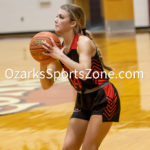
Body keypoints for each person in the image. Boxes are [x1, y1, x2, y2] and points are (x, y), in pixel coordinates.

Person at [40, 4, 120, 150]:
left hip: (104, 97)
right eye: (56, 16)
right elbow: (46, 84)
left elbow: (84, 73)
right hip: (83, 100)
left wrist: (59, 55)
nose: (56, 20)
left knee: (89, 147)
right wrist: (43, 63)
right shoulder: (61, 49)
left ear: (73, 23)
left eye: (61, 17)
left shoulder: (83, 42)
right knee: (68, 148)